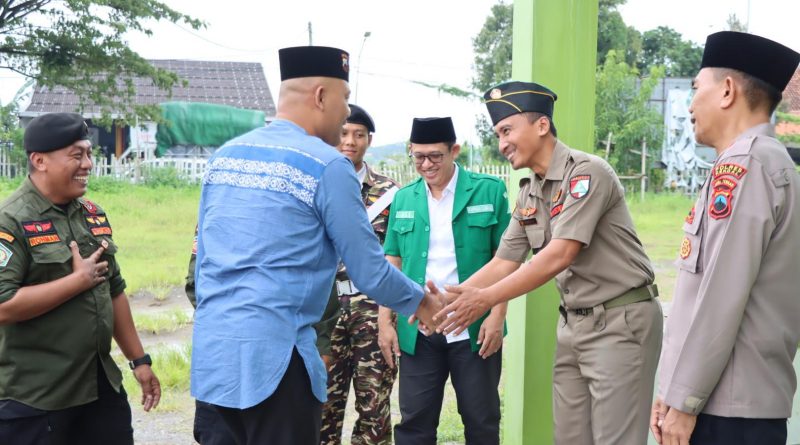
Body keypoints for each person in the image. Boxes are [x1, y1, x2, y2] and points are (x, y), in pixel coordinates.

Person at [190, 46, 444, 445]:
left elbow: (204, 259)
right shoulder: (327, 165)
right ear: (322, 96)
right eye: (345, 99)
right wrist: (423, 302)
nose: (346, 114)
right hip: (275, 364)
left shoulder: (225, 157)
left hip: (214, 358)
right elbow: (369, 271)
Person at [435, 82, 663, 444]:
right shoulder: (530, 191)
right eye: (498, 134)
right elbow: (504, 260)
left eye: (507, 131)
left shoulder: (586, 174)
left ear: (542, 125)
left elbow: (560, 253)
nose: (502, 144)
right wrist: (448, 300)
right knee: (570, 438)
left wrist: (486, 299)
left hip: (619, 322)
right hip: (573, 325)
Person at [651, 32, 800, 445]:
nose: (690, 104)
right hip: (726, 402)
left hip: (726, 410)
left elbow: (720, 295)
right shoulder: (760, 161)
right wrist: (672, 391)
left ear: (728, 91)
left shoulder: (748, 163)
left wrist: (684, 400)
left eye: (696, 88)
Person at [0, 112, 160, 444]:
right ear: (40, 161)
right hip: (37, 398)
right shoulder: (11, 221)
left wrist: (139, 360)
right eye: (77, 155)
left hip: (99, 389)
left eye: (89, 153)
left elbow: (114, 290)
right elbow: (3, 305)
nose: (88, 163)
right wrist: (76, 282)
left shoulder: (92, 214)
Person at [378, 117, 511, 445]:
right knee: (414, 423)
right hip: (419, 330)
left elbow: (505, 259)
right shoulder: (404, 198)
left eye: (435, 156)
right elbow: (392, 262)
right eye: (418, 156)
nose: (426, 164)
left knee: (482, 420)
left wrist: (497, 316)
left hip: (474, 326)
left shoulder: (489, 190)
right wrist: (384, 321)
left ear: (454, 150)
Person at [320, 104, 401, 445]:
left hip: (372, 308)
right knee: (321, 404)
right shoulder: (316, 184)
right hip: (325, 309)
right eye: (343, 133)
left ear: (370, 140)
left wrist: (390, 317)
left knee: (374, 408)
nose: (350, 142)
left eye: (359, 135)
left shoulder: (391, 193)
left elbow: (398, 254)